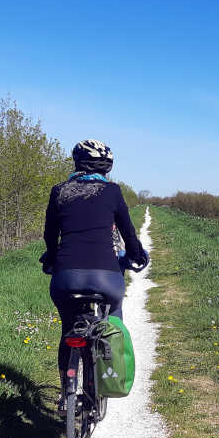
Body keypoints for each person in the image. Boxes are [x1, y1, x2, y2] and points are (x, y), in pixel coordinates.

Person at [40, 139, 148, 412]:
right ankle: (107, 375)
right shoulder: (111, 191)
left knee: (68, 331)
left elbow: (50, 236)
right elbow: (128, 233)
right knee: (113, 320)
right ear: (107, 168)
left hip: (66, 277)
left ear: (76, 163)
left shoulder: (59, 191)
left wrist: (51, 258)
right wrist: (136, 255)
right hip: (106, 277)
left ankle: (67, 393)